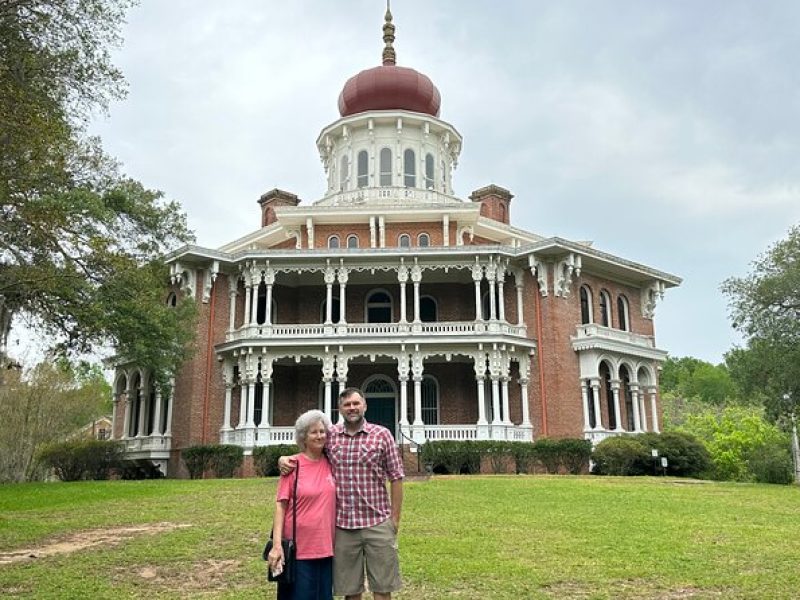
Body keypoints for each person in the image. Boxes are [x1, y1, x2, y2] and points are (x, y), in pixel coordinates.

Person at [280, 387, 404, 600]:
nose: (352, 408)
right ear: (339, 409)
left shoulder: (382, 435)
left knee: (383, 588)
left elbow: (396, 477)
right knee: (350, 590)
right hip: (344, 527)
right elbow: (310, 450)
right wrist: (283, 459)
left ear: (365, 405)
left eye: (356, 403)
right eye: (347, 405)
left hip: (377, 522)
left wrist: (394, 520)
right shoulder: (332, 437)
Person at [269, 409, 336, 600]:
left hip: (326, 548)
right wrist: (276, 546)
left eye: (322, 431)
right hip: (298, 550)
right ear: (303, 437)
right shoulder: (292, 465)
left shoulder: (332, 463)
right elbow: (280, 506)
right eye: (313, 432)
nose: (319, 436)